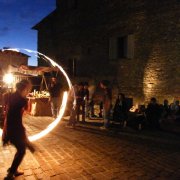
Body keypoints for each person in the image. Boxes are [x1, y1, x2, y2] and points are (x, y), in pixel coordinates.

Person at [2, 79, 35, 179]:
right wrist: (26, 141)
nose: (29, 91)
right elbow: (14, 118)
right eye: (29, 89)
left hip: (10, 128)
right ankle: (10, 174)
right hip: (14, 129)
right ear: (25, 89)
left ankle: (13, 169)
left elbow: (9, 115)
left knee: (20, 149)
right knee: (21, 150)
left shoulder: (12, 96)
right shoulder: (21, 101)